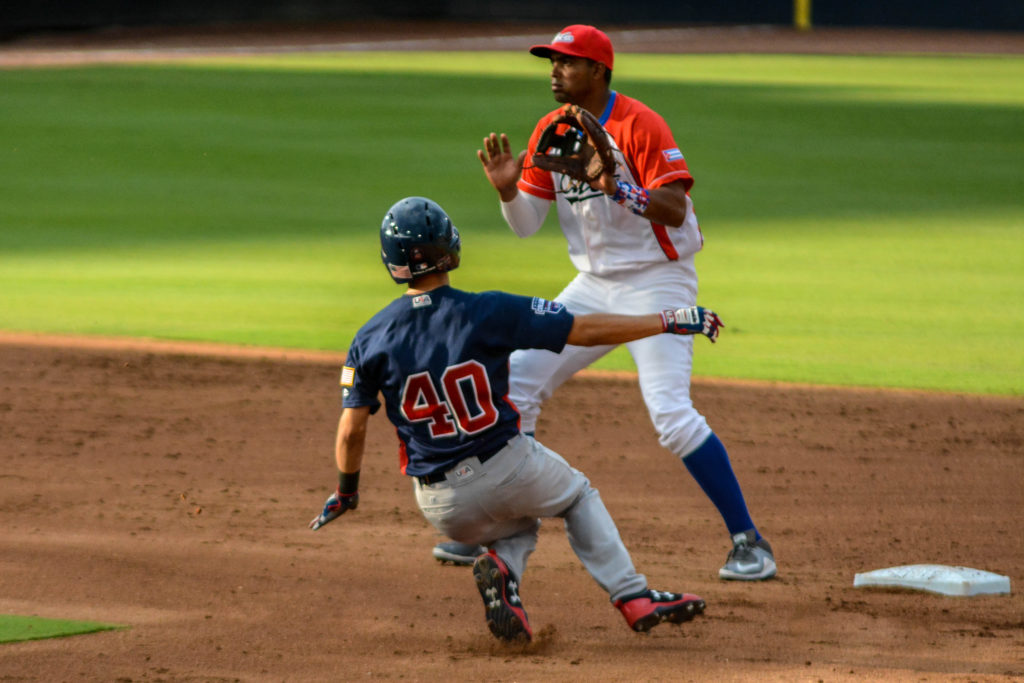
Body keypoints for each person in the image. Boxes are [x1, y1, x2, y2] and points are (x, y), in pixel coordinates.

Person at [434, 24, 775, 582]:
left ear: (599, 71)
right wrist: (505, 190)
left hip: (660, 281)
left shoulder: (640, 124)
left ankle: (749, 542)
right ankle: (506, 526)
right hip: (592, 284)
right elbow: (526, 226)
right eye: (551, 61)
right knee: (518, 380)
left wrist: (621, 188)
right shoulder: (550, 129)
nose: (554, 71)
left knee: (669, 412)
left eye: (566, 63)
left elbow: (672, 208)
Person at [310, 196, 720, 642]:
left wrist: (345, 493)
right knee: (577, 496)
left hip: (441, 506)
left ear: (390, 262)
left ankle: (503, 571)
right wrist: (665, 320)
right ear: (450, 244)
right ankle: (633, 595)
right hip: (506, 466)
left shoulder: (368, 339)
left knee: (521, 520)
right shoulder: (489, 310)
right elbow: (582, 329)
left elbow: (351, 430)